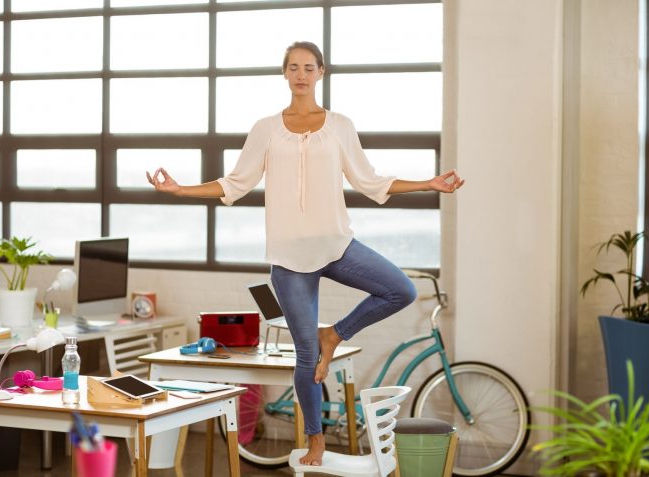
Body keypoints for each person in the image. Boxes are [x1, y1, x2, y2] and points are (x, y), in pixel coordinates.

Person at [147, 41, 464, 466]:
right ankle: (316, 440)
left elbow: (371, 182)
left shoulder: (339, 126)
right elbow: (235, 183)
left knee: (400, 290)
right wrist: (180, 188)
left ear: (321, 72)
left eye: (308, 67)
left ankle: (334, 333)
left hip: (336, 245)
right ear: (284, 73)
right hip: (289, 258)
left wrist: (429, 183)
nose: (301, 74)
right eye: (293, 67)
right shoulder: (265, 128)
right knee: (305, 356)